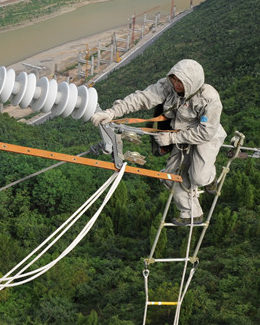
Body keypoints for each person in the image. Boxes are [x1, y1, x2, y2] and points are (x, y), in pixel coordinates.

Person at [91, 59, 226, 226]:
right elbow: (142, 98)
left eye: (180, 82)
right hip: (181, 131)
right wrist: (113, 112)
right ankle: (191, 213)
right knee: (170, 176)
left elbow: (206, 132)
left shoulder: (209, 99)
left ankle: (209, 179)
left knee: (198, 177)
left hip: (205, 136)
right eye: (174, 79)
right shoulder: (168, 86)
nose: (176, 85)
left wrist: (172, 139)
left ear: (192, 83)